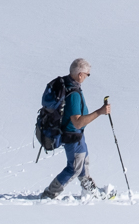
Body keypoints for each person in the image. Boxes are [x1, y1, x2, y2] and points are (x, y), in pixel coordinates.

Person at [41, 58, 111, 199]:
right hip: (72, 136)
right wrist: (100, 111)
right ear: (80, 74)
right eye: (87, 74)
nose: (87, 77)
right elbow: (77, 122)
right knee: (74, 169)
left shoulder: (68, 84)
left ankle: (91, 192)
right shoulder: (73, 93)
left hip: (78, 136)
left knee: (83, 163)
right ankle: (49, 194)